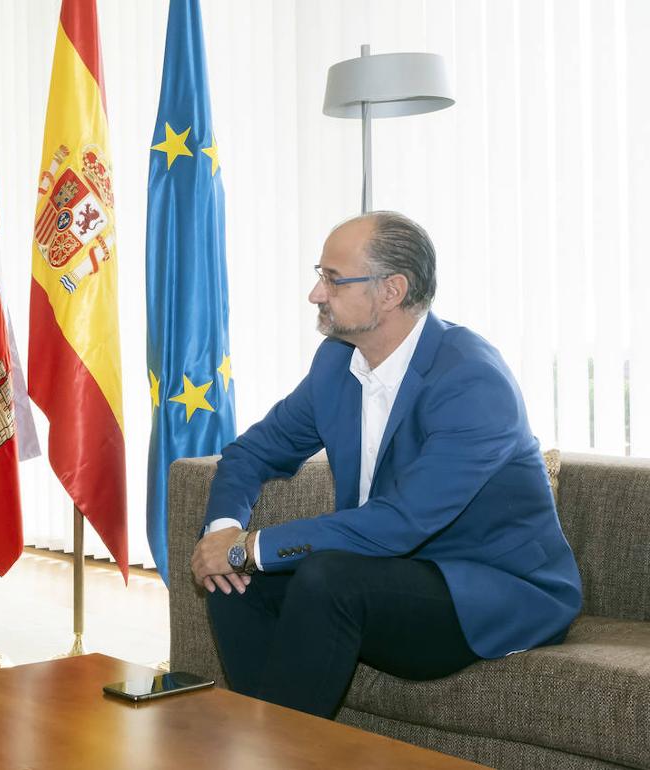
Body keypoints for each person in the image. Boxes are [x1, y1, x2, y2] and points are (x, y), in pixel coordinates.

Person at [190, 212, 581, 719]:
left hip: (491, 590)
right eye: (320, 273)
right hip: (392, 574)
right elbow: (250, 454)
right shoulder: (337, 363)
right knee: (233, 582)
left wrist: (250, 547)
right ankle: (269, 741)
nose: (315, 293)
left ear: (391, 291)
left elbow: (400, 523)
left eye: (333, 278)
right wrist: (224, 535)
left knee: (323, 576)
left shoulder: (471, 381)